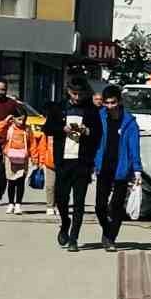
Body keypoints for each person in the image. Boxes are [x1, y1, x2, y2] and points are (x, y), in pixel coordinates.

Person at [47, 79, 100, 250]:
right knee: (61, 199)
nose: (77, 97)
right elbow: (47, 128)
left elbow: (98, 133)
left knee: (79, 201)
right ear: (68, 91)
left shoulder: (91, 110)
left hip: (82, 162)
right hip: (63, 161)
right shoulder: (59, 107)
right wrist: (62, 129)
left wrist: (87, 131)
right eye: (74, 93)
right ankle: (65, 223)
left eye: (80, 94)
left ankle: (74, 238)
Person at [93, 83, 143, 252]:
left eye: (112, 103)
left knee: (116, 206)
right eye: (106, 103)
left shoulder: (129, 123)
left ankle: (110, 238)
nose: (109, 106)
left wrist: (137, 170)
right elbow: (94, 141)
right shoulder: (100, 117)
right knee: (100, 206)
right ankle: (108, 231)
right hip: (103, 166)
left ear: (119, 102)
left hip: (122, 168)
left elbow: (134, 147)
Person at [0, 112, 30, 213]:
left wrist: (35, 158)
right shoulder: (8, 128)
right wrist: (6, 120)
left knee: (20, 182)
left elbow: (32, 143)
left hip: (23, 159)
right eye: (19, 119)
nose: (21, 122)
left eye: (23, 119)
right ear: (13, 118)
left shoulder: (27, 129)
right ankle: (11, 204)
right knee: (11, 182)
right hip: (10, 159)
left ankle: (18, 204)